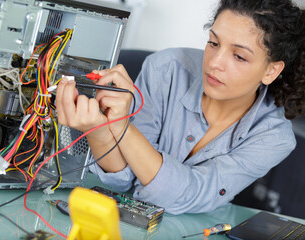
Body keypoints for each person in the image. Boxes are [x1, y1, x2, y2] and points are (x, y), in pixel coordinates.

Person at [56, 0, 305, 214]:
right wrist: (102, 129)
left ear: (271, 70)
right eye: (213, 43)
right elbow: (124, 179)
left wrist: (121, 127)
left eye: (239, 56)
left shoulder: (274, 138)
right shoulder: (166, 69)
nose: (215, 63)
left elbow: (191, 195)